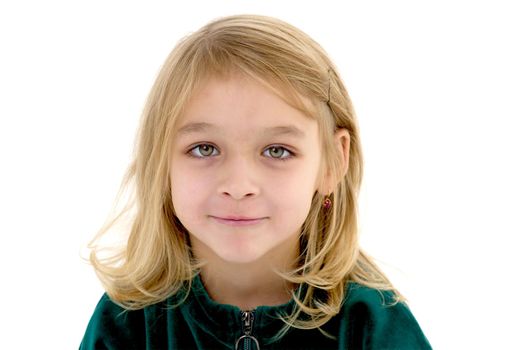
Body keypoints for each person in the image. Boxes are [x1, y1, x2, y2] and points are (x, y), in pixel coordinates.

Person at [80, 14, 432, 349]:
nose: (238, 185)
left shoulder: (372, 324)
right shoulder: (126, 322)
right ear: (161, 161)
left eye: (277, 151)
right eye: (205, 148)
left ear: (332, 163)